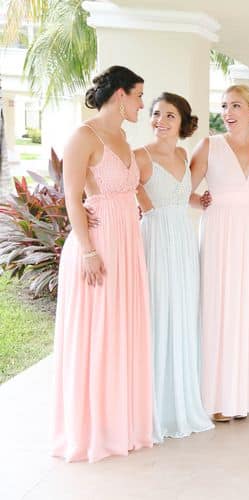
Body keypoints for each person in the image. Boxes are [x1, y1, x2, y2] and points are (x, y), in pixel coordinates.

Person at [51, 66, 152, 462]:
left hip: (128, 241)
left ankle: (118, 423)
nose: (143, 104)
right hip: (100, 246)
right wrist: (88, 249)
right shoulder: (84, 136)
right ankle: (90, 429)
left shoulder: (124, 137)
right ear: (121, 95)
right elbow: (71, 197)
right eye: (139, 96)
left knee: (121, 330)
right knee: (98, 332)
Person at [189, 84, 249, 422]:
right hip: (220, 230)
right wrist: (200, 201)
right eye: (224, 106)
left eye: (236, 106)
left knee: (246, 307)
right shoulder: (210, 145)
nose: (227, 112)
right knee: (218, 307)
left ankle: (240, 397)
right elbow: (185, 188)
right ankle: (214, 400)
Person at [134, 92, 214, 442]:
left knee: (182, 313)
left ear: (182, 123)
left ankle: (180, 398)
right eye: (155, 114)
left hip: (183, 238)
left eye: (169, 116)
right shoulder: (140, 157)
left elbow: (180, 197)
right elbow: (136, 198)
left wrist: (199, 199)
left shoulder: (183, 154)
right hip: (157, 239)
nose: (160, 121)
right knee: (159, 311)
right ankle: (153, 406)